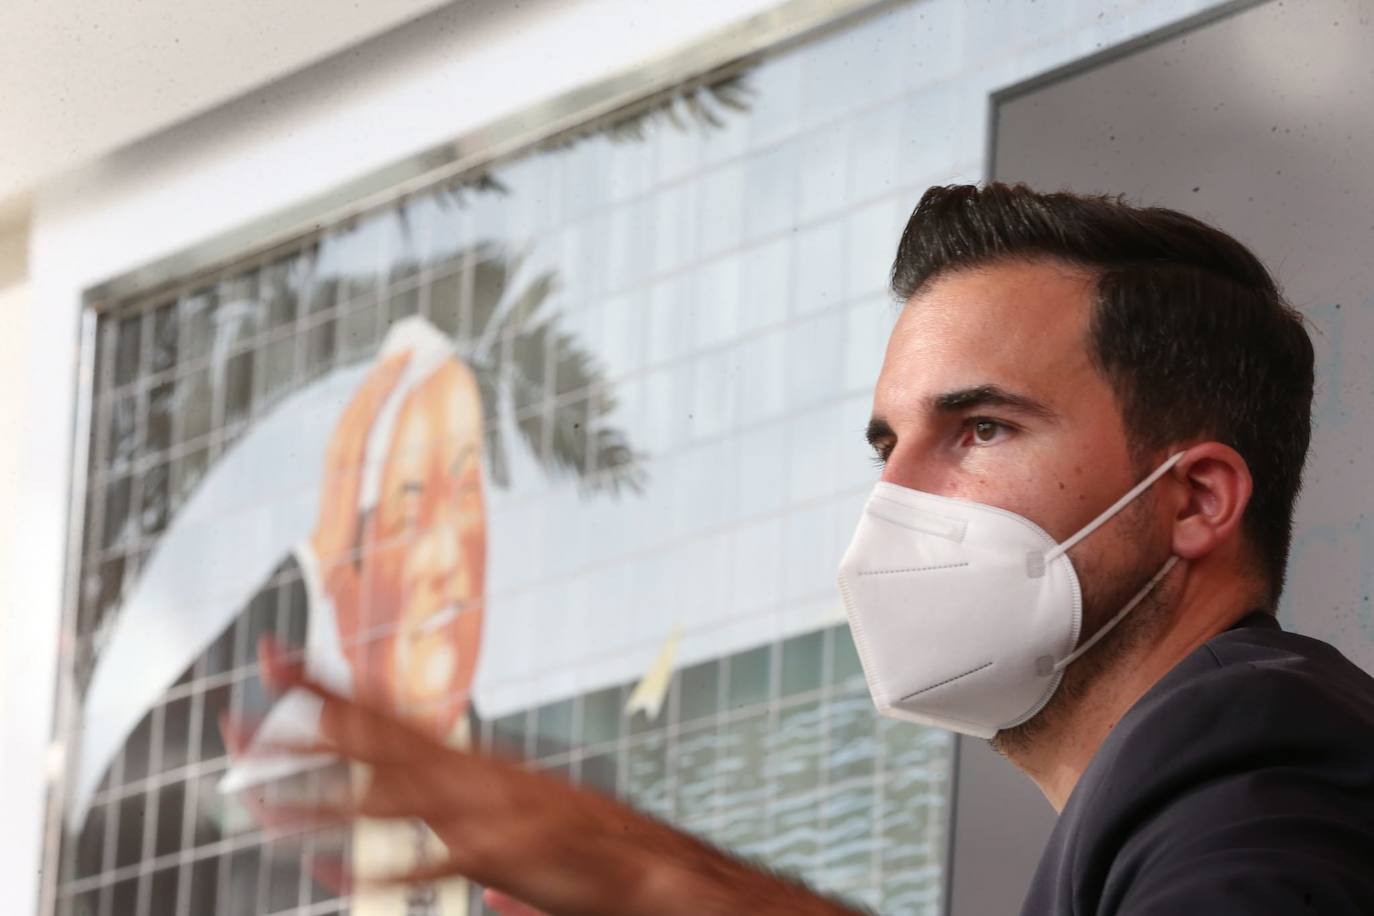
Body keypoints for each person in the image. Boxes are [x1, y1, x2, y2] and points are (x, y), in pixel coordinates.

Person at [232, 183, 1374, 915]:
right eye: (888, 441)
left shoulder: (1250, 760)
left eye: (979, 428)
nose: (894, 496)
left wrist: (665, 883)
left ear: (1197, 501)